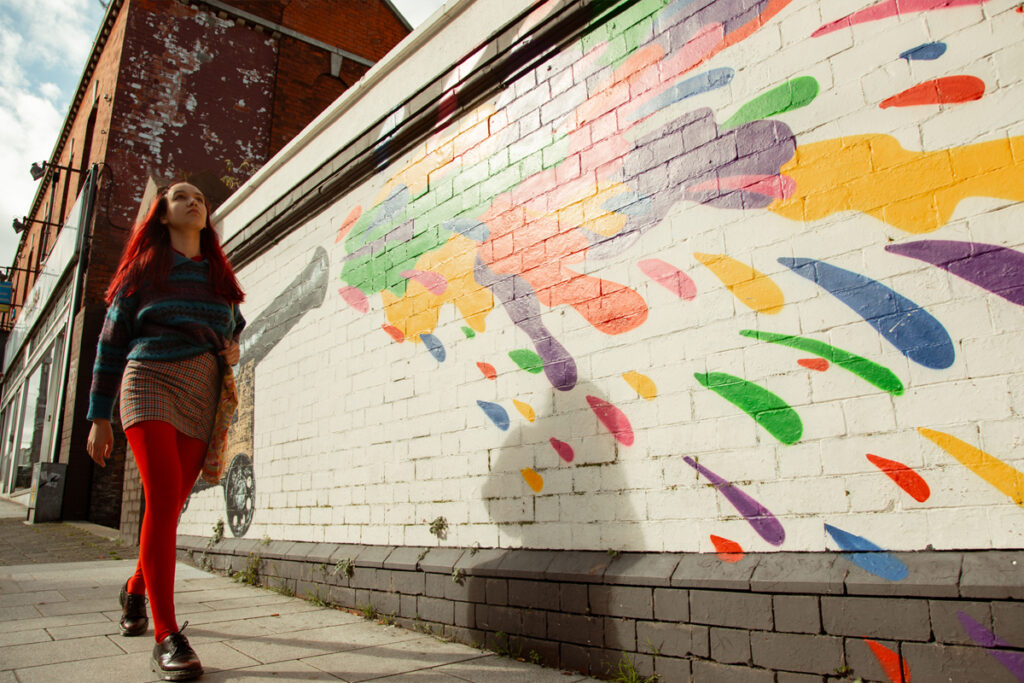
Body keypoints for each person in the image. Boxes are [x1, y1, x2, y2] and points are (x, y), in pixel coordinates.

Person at [86, 180, 245, 681]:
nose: (194, 201)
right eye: (181, 196)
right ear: (161, 214)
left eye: (200, 198)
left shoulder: (218, 274)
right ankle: (166, 635)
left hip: (202, 390)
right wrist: (98, 417)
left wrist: (233, 350)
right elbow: (110, 345)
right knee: (159, 500)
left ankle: (136, 587)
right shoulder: (142, 271)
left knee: (171, 506)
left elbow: (233, 326)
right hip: (148, 377)